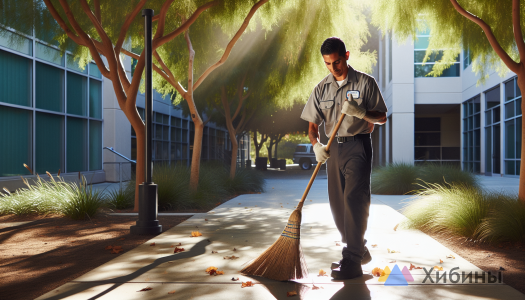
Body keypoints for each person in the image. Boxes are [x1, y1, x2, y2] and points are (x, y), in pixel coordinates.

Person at [300, 37, 387, 280]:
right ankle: (359, 249)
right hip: (332, 149)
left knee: (354, 199)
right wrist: (316, 145)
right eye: (328, 63)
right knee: (338, 205)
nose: (333, 67)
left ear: (346, 56)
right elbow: (312, 127)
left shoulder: (366, 82)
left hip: (357, 145)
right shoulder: (321, 89)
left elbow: (382, 117)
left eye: (337, 61)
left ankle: (352, 261)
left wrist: (361, 112)